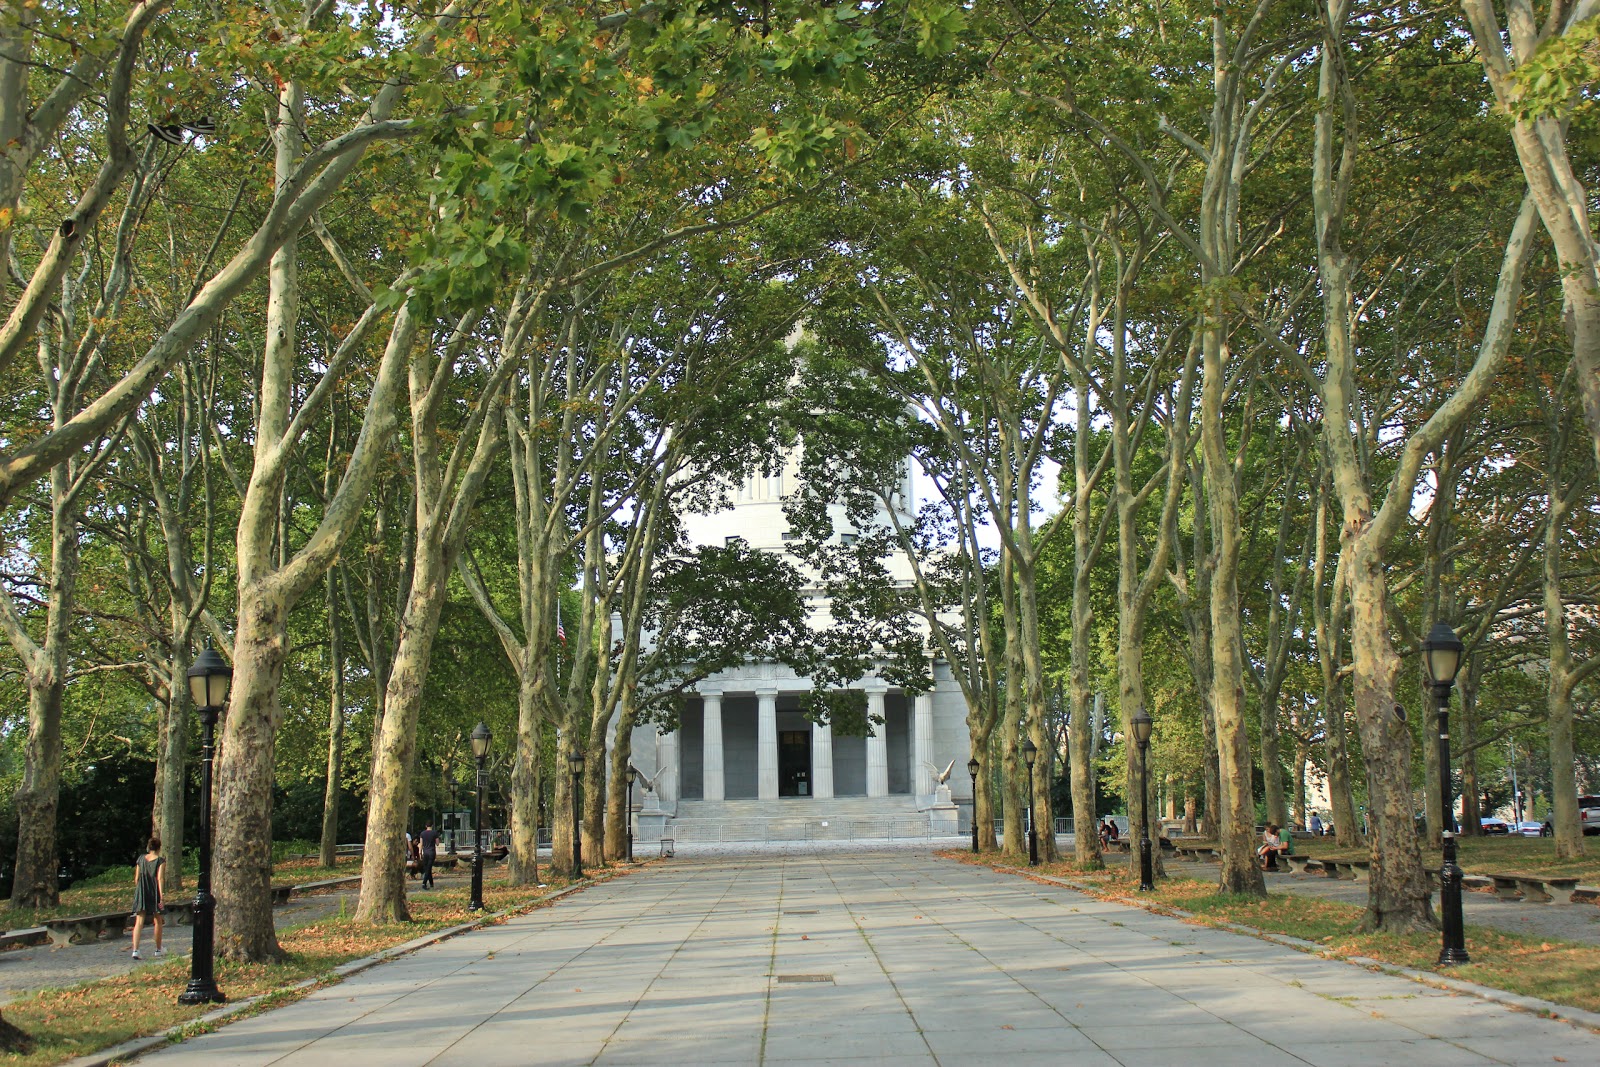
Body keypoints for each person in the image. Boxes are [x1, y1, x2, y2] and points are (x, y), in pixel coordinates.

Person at [130, 837, 165, 960]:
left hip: (142, 891)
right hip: (154, 892)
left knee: (139, 922)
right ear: (159, 848)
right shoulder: (160, 861)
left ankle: (135, 950)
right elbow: (160, 878)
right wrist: (161, 895)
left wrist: (139, 891)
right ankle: (158, 949)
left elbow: (137, 878)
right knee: (158, 920)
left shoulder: (140, 859)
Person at [419, 821, 440, 889]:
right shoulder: (435, 833)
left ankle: (431, 883)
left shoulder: (422, 833)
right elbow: (437, 843)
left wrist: (420, 852)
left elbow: (421, 844)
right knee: (429, 868)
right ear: (432, 825)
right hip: (432, 852)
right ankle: (424, 883)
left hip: (425, 852)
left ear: (426, 826)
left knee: (427, 868)